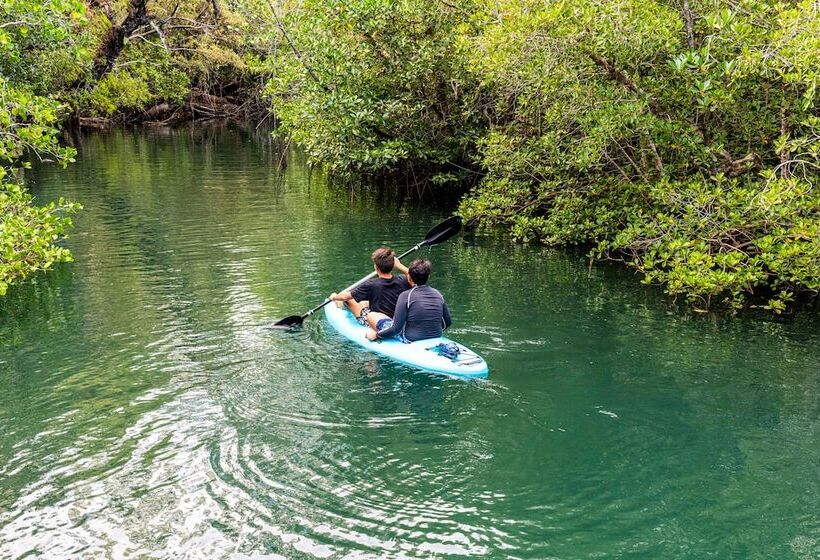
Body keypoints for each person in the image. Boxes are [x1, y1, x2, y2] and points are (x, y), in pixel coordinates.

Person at [365, 258, 451, 342]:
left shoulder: (406, 296)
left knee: (371, 315)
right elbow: (447, 323)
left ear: (409, 278)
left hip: (409, 339)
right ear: (428, 276)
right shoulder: (438, 294)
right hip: (436, 336)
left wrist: (377, 335)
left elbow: (396, 329)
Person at [329, 246, 410, 329]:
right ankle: (361, 305)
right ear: (393, 266)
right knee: (363, 302)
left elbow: (345, 296)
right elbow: (414, 276)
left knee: (348, 299)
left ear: (376, 267)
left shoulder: (370, 285)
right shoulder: (403, 280)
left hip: (376, 322)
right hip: (397, 320)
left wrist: (334, 297)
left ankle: (339, 306)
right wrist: (399, 265)